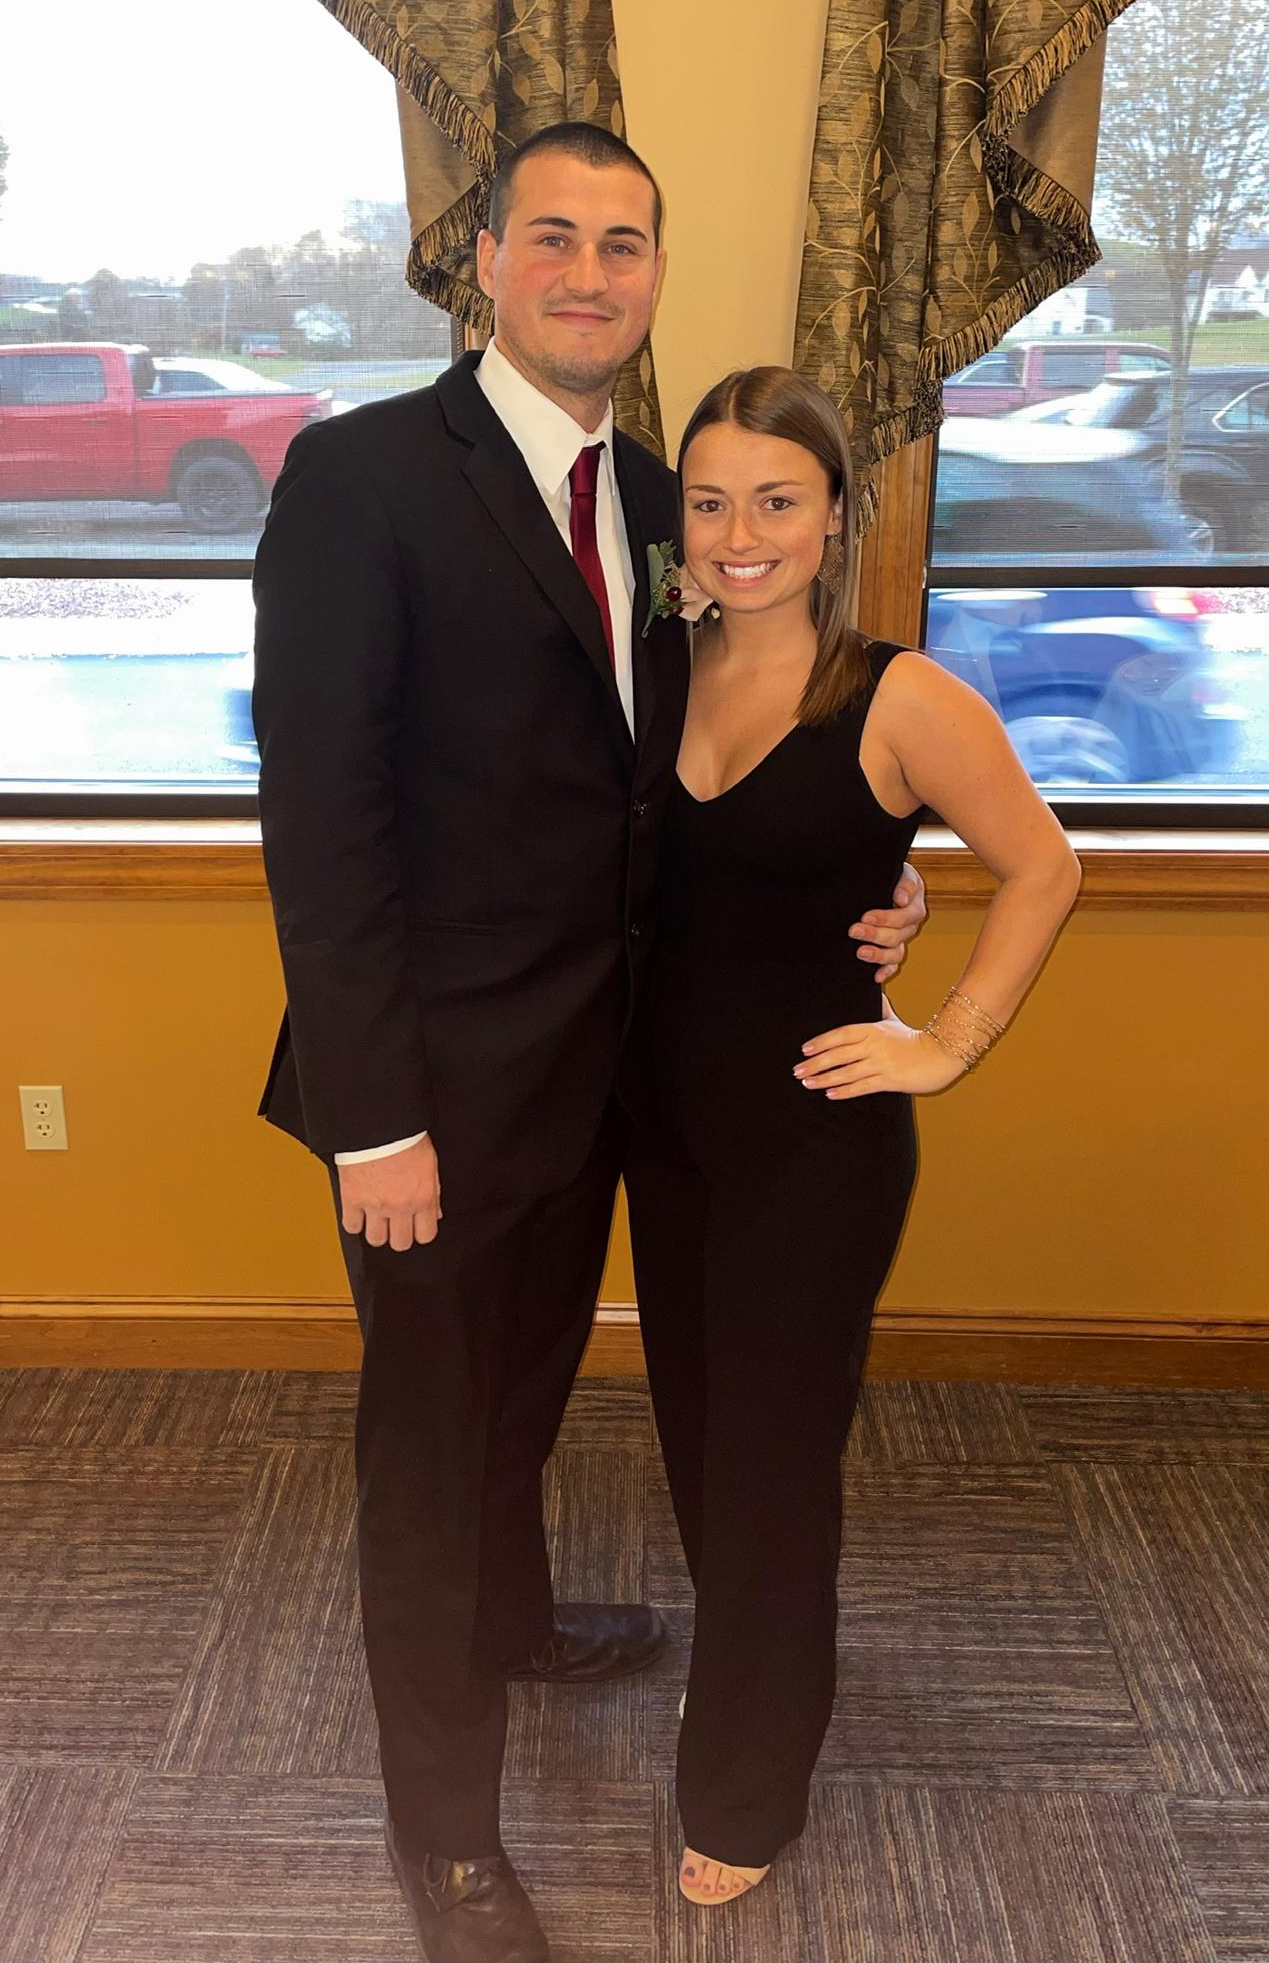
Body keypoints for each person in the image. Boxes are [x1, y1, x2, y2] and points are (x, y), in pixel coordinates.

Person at [250, 126, 926, 1963]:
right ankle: (448, 1840)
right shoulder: (361, 477)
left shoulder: (656, 496)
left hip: (617, 1080)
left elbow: (692, 773)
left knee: (525, 1407)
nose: (587, 272)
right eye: (550, 236)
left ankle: (523, 1624)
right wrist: (373, 1118)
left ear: (652, 276)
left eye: (623, 243)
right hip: (434, 1104)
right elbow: (322, 821)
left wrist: (872, 877)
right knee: (433, 1458)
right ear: (482, 260)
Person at [622, 365, 1083, 1909]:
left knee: (768, 1460)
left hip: (814, 1142)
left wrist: (946, 1041)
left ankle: (745, 1781)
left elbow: (1042, 867)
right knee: (700, 1434)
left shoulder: (898, 696)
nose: (739, 533)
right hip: (660, 1131)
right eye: (709, 502)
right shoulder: (652, 668)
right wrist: (889, 887)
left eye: (777, 500)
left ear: (836, 514)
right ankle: (757, 1657)